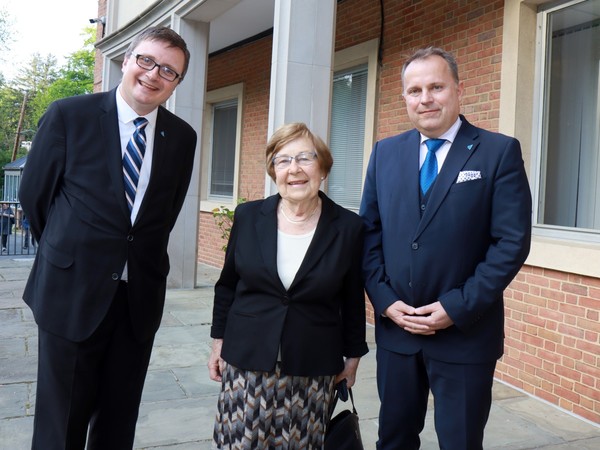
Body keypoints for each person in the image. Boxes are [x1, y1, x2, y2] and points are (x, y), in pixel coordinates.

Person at [19, 26, 196, 449]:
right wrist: (69, 254)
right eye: (146, 61)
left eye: (168, 71)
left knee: (118, 423)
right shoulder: (69, 115)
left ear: (176, 83)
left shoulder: (182, 137)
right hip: (71, 293)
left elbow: (164, 215)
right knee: (60, 425)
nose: (153, 74)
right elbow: (35, 198)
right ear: (126, 60)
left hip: (137, 302)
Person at [360, 47, 532, 450]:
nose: (426, 99)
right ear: (405, 97)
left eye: (436, 87)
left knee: (461, 443)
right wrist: (385, 301)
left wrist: (456, 307)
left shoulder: (498, 151)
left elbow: (510, 242)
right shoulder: (385, 152)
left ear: (458, 89)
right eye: (414, 90)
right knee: (393, 440)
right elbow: (368, 233)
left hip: (465, 334)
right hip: (398, 331)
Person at [208, 122, 369, 449]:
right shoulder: (248, 216)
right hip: (247, 359)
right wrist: (217, 342)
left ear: (323, 168)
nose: (294, 169)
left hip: (312, 364)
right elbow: (227, 286)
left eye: (305, 158)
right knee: (241, 442)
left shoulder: (348, 227)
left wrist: (353, 356)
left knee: (300, 443)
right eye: (283, 160)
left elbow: (352, 298)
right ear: (274, 171)